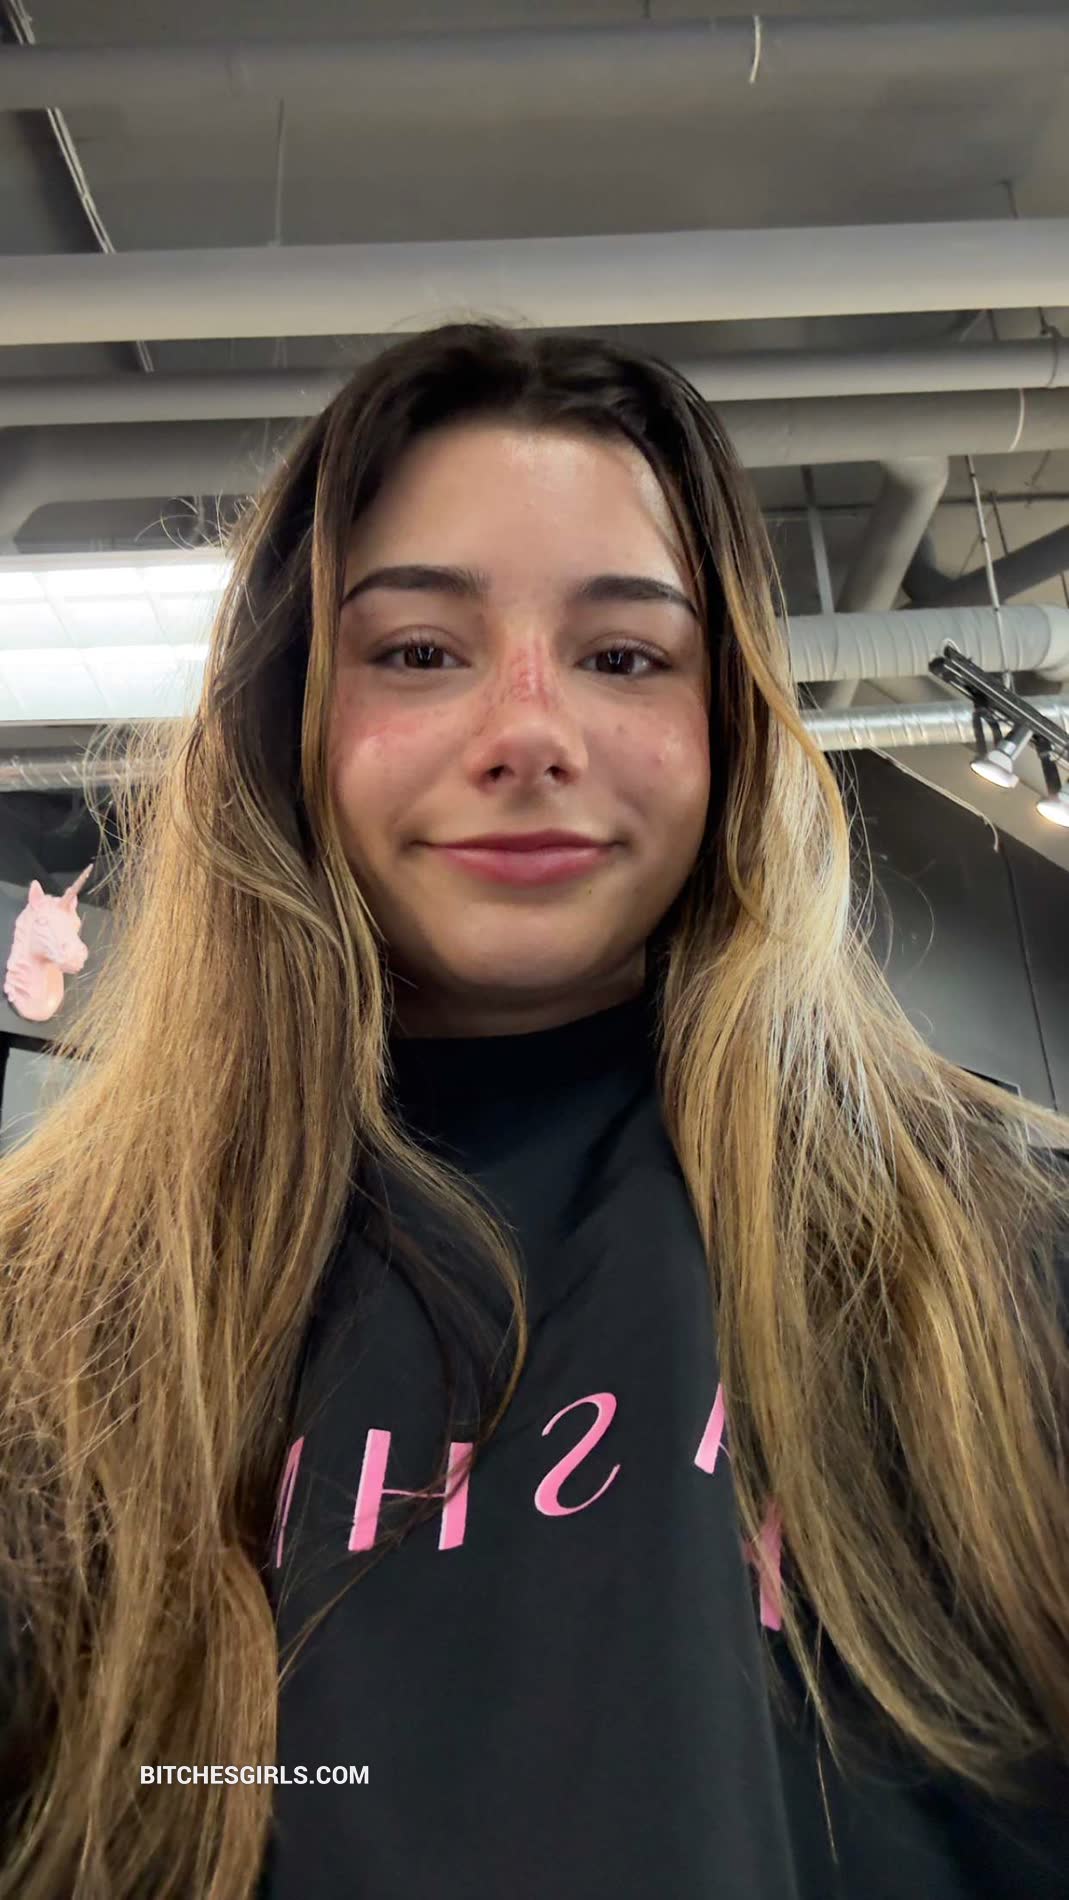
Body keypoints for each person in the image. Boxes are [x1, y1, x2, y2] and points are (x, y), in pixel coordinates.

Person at [0, 321, 1067, 1900]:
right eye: (417, 652)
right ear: (290, 713)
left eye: (623, 656)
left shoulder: (1002, 1270)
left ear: (727, 724)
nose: (527, 732)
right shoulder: (45, 1321)